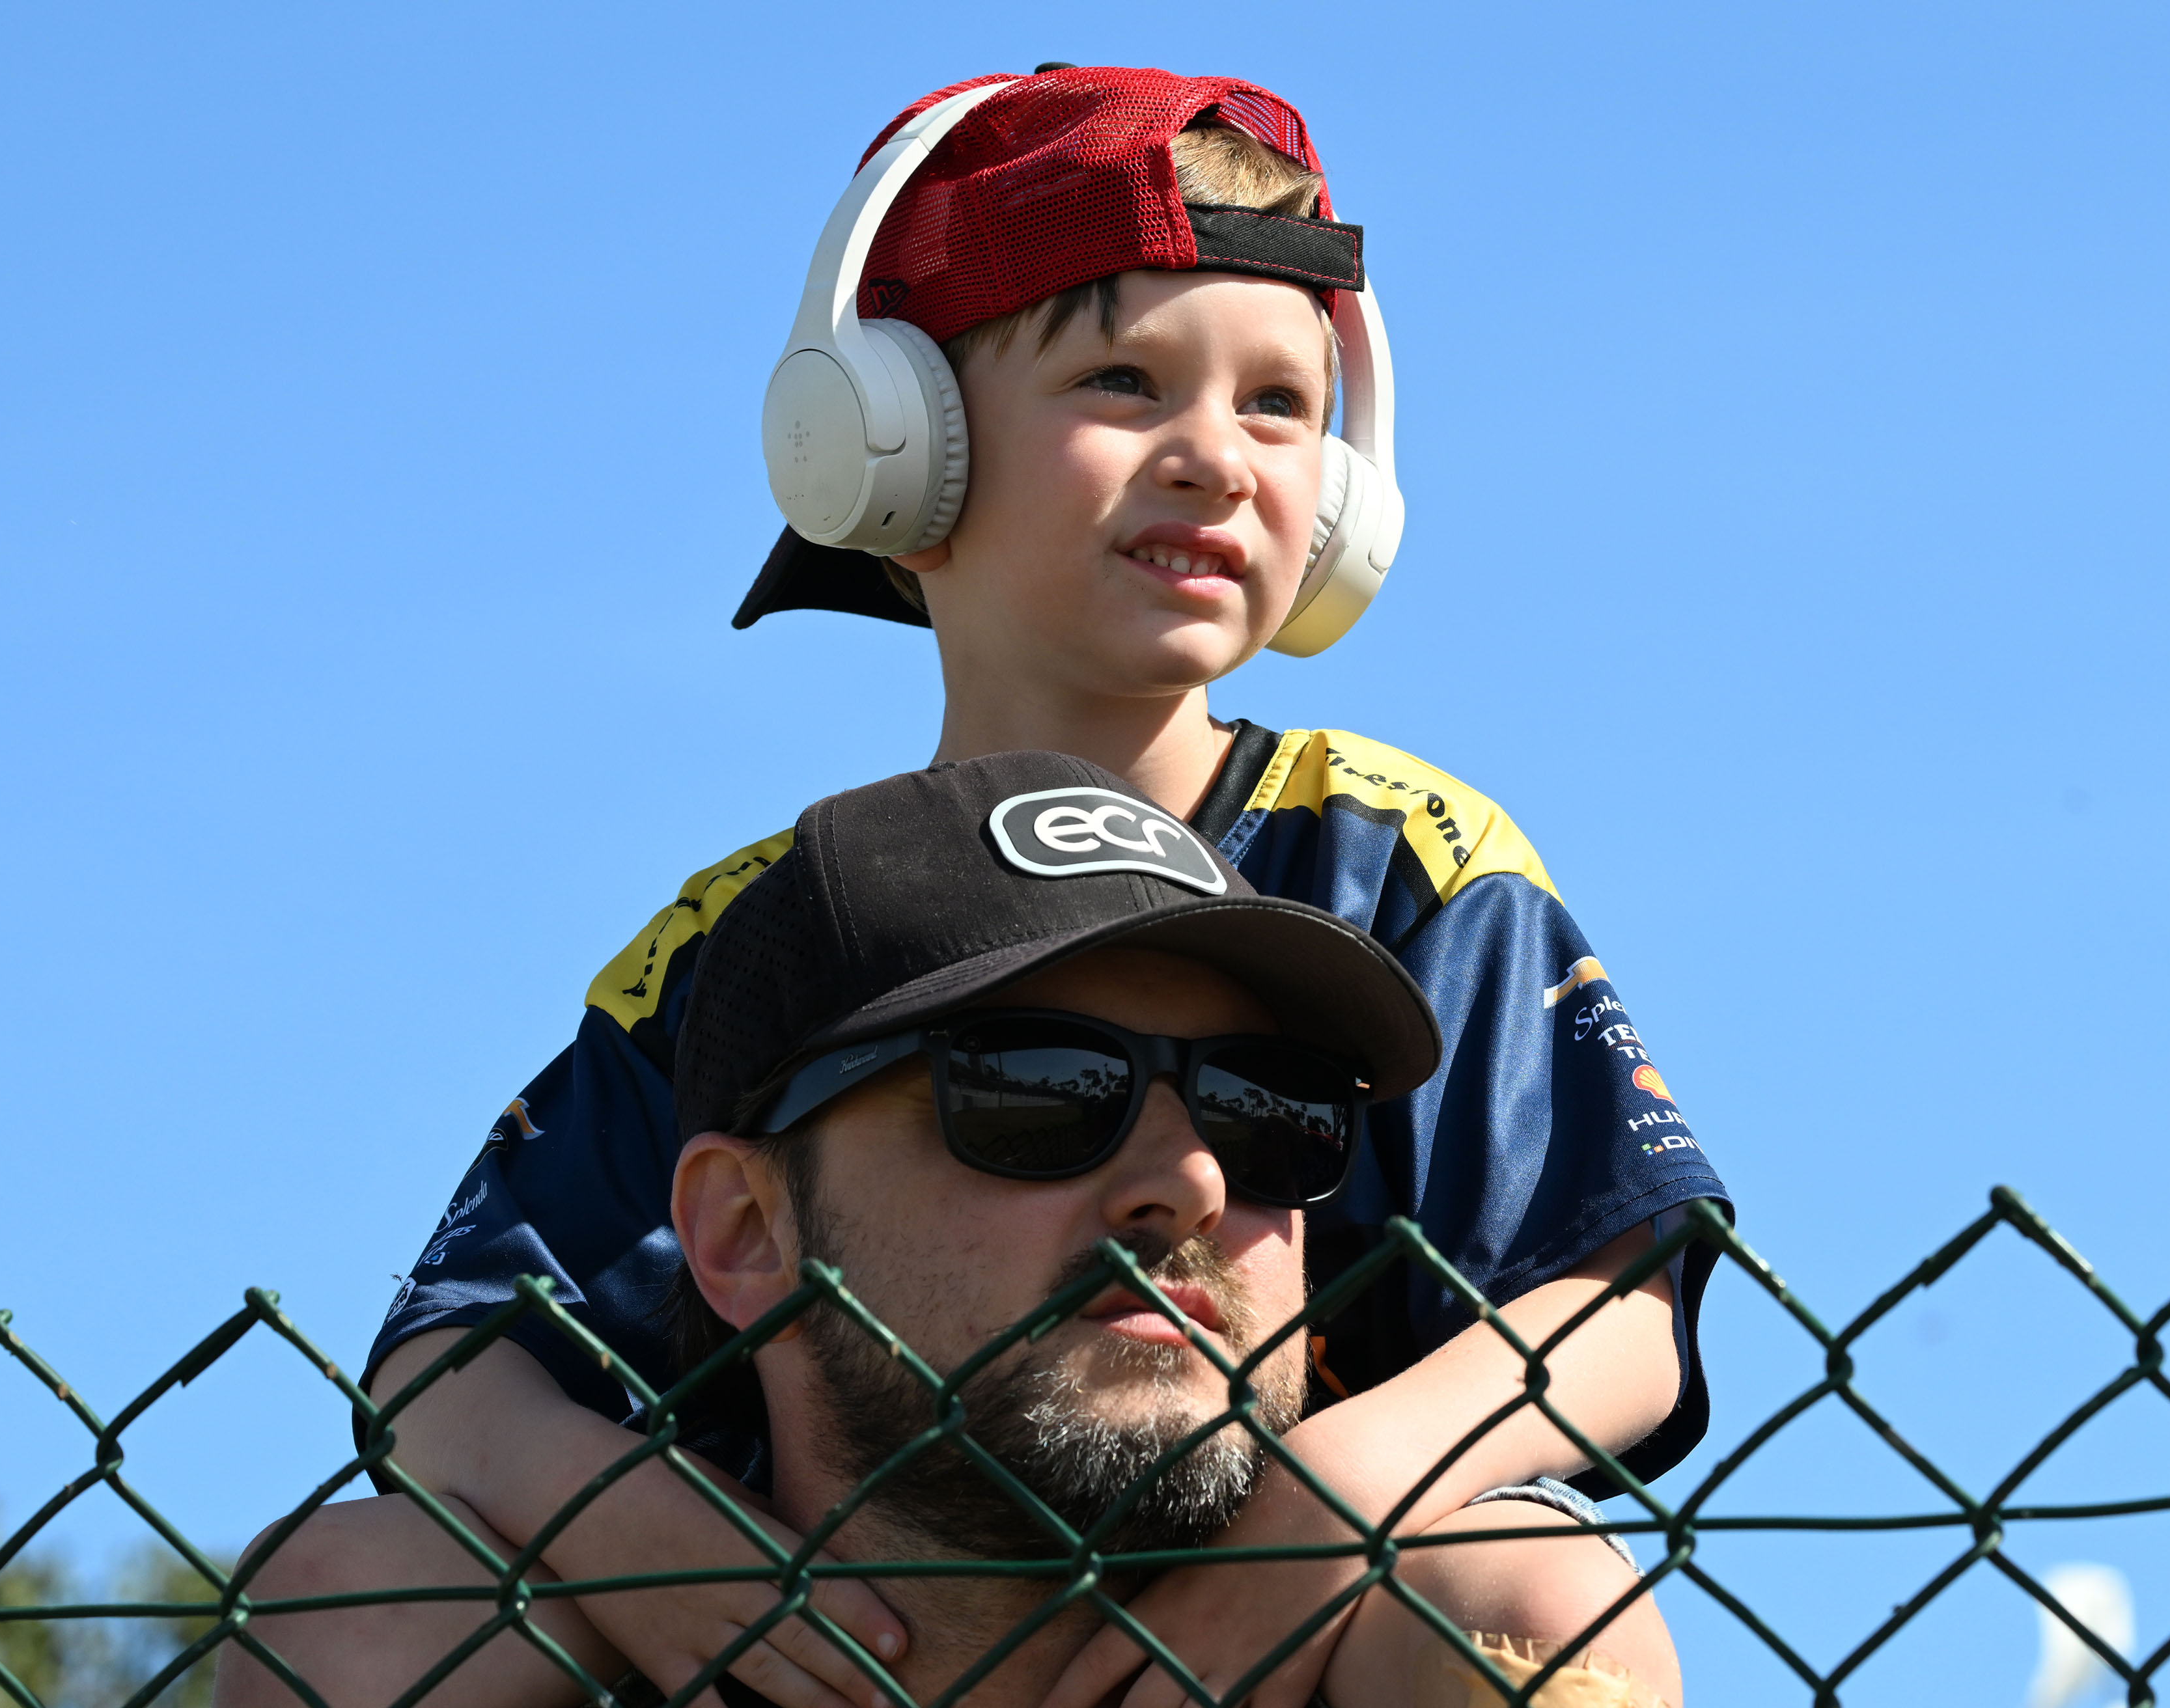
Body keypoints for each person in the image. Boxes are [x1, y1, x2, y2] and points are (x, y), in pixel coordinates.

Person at [337, 64, 1731, 1708]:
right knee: (365, 1590)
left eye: (1280, 405)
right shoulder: (765, 926)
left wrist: (1319, 1518)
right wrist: (651, 1545)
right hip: (847, 1654)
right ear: (888, 446)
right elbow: (447, 1358)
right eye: (1126, 381)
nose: (1216, 457)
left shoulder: (1401, 856)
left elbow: (1615, 1305)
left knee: (1526, 1590)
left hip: (1268, 1654)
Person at [221, 755, 1682, 1708]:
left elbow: (1619, 1315)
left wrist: (1351, 1491)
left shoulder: (1430, 1647)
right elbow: (445, 1352)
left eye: (1270, 1110)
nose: (1179, 1174)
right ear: (739, 1228)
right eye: (1038, 1088)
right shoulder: (525, 1651)